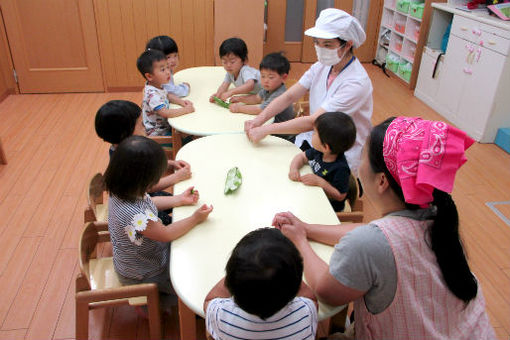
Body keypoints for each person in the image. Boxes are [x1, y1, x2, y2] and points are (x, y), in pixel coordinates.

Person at [273, 117, 496, 339]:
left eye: (362, 157)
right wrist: (306, 228)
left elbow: (325, 291)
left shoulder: (371, 242)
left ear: (382, 181)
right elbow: (372, 233)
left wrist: (300, 241)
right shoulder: (437, 214)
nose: (357, 165)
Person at [245, 8, 372, 174]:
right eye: (317, 42)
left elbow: (315, 121)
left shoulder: (356, 83)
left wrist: (266, 129)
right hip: (316, 139)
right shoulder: (322, 66)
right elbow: (289, 95)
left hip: (339, 151)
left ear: (347, 45)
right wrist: (259, 120)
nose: (320, 48)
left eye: (327, 44)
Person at [104, 135, 213, 310]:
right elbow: (166, 234)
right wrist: (195, 218)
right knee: (193, 293)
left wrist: (178, 200)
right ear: (144, 180)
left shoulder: (122, 189)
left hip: (138, 257)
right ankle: (150, 305)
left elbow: (148, 203)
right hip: (145, 272)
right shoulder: (134, 212)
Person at [204, 228, 318, 340]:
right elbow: (311, 299)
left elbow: (209, 301)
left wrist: (234, 275)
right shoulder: (305, 313)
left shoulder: (222, 316)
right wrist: (294, 275)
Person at [95, 100, 194, 225]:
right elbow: (148, 187)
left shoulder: (120, 150)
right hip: (140, 205)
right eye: (141, 124)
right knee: (174, 220)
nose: (145, 127)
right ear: (126, 132)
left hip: (142, 196)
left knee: (179, 202)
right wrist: (176, 177)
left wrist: (169, 164)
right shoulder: (130, 159)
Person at [289, 112, 356, 212]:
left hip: (328, 208)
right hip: (314, 195)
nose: (312, 134)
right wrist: (294, 169)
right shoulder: (319, 151)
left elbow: (340, 196)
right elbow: (301, 157)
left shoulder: (340, 168)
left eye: (315, 133)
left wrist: (321, 182)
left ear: (326, 147)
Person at [229, 52, 295, 141]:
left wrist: (239, 108)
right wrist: (241, 99)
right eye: (263, 76)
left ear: (283, 78)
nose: (265, 81)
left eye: (271, 77)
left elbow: (260, 110)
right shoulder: (269, 87)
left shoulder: (279, 93)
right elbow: (256, 98)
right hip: (270, 126)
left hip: (281, 135)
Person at [136, 49, 194, 137]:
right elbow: (165, 113)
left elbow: (167, 95)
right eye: (163, 70)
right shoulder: (153, 94)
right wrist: (185, 110)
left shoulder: (157, 85)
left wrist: (181, 102)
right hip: (159, 134)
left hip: (165, 126)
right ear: (149, 76)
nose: (168, 72)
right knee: (188, 136)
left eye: (167, 67)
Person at [209, 37, 262, 102]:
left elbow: (250, 85)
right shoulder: (230, 73)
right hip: (259, 93)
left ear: (244, 60)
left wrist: (231, 92)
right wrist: (217, 95)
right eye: (224, 62)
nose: (228, 65)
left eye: (232, 62)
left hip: (271, 89)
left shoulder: (245, 70)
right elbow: (224, 86)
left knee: (244, 100)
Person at [145, 35, 192, 100]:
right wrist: (185, 88)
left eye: (175, 55)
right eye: (168, 57)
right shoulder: (161, 76)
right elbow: (172, 91)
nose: (173, 60)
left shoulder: (163, 70)